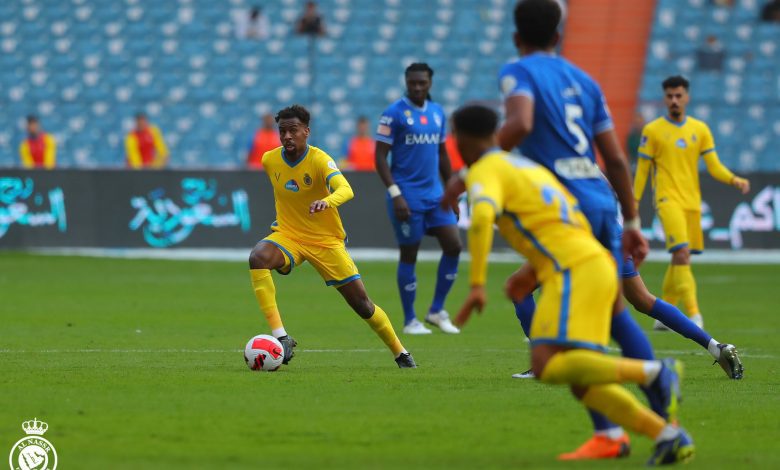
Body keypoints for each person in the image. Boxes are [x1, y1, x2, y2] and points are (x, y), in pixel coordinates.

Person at [445, 0, 741, 459]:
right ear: (559, 34)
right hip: (601, 196)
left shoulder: (518, 72)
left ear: (516, 37)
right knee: (623, 307)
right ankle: (656, 416)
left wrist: (473, 170)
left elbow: (521, 122)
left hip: (566, 208)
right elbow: (617, 157)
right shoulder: (585, 81)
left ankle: (628, 408)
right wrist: (633, 220)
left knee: (562, 325)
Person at [452, 103, 694, 466]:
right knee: (582, 378)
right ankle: (666, 436)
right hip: (590, 261)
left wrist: (476, 284)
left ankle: (656, 372)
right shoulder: (523, 164)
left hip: (572, 270)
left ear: (463, 140)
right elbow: (564, 215)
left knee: (546, 363)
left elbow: (483, 216)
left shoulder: (485, 171)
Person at [247, 105, 416, 368]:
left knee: (362, 305)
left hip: (326, 241)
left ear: (306, 131)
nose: (287, 136)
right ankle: (281, 337)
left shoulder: (319, 159)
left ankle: (400, 353)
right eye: (283, 131)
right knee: (258, 257)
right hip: (289, 236)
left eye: (293, 130)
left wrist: (327, 201)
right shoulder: (270, 160)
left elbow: (346, 189)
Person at [635, 75, 750, 330]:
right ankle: (694, 314)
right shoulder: (652, 131)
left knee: (679, 258)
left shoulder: (699, 129)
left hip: (692, 202)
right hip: (667, 200)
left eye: (678, 96)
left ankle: (663, 314)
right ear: (664, 98)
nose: (674, 100)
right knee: (682, 254)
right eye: (669, 96)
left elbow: (714, 166)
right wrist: (633, 202)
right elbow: (642, 171)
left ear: (687, 97)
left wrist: (734, 179)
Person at [375, 63, 462, 335]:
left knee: (454, 246)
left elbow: (443, 154)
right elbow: (379, 157)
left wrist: (452, 190)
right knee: (410, 255)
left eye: (422, 83)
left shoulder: (437, 113)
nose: (417, 87)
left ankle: (436, 310)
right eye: (412, 83)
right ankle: (411, 319)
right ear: (406, 81)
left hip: (435, 196)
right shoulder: (393, 114)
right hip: (407, 196)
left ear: (430, 83)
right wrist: (395, 193)